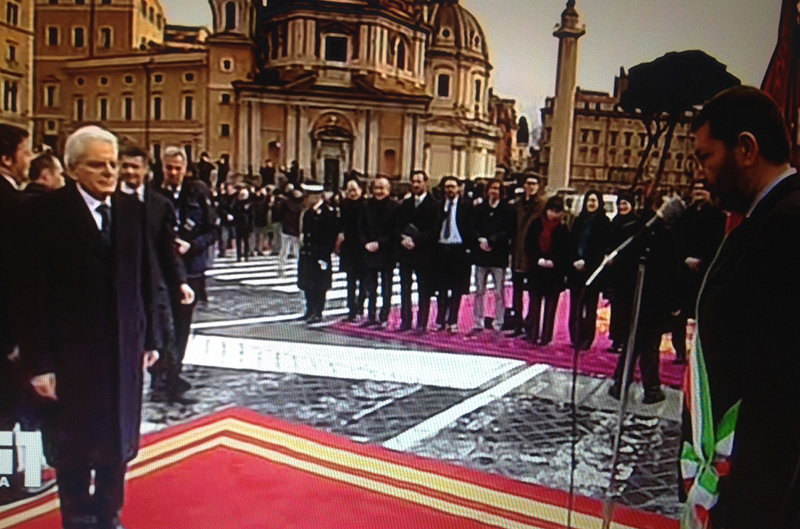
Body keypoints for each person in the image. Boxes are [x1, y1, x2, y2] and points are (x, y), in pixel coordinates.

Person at [23, 126, 161, 529]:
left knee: (117, 441)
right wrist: (39, 362)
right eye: (97, 165)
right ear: (71, 168)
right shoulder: (45, 213)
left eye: (113, 164)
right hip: (71, 354)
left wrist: (150, 336)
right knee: (75, 443)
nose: (109, 172)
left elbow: (145, 278)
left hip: (123, 347)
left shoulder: (132, 211)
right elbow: (32, 291)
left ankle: (109, 515)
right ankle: (78, 517)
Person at [679, 86, 800, 528]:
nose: (702, 173)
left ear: (746, 148)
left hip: (756, 494)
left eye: (705, 157)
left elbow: (781, 393)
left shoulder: (788, 226)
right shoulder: (762, 219)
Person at [117, 143, 195, 404]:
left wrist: (181, 281)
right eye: (124, 166)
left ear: (145, 170)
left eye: (134, 166)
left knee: (160, 334)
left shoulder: (159, 205)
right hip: (117, 283)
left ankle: (163, 376)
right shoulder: (109, 200)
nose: (128, 171)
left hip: (152, 282)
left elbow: (167, 248)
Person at [608, 193, 680, 405]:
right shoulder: (642, 232)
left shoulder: (637, 230)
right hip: (647, 299)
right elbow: (672, 271)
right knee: (646, 343)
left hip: (641, 298)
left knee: (637, 341)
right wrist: (674, 303)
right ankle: (648, 387)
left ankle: (626, 383)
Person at [156, 146, 216, 397]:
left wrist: (191, 245)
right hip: (161, 270)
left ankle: (174, 371)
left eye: (177, 168)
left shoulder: (198, 192)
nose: (173, 173)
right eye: (168, 168)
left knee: (182, 324)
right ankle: (159, 373)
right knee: (159, 322)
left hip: (190, 269)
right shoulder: (153, 193)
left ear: (185, 169)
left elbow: (212, 230)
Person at [670, 178, 726, 364]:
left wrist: (702, 261)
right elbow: (677, 240)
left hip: (705, 272)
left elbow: (719, 245)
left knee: (703, 315)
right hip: (685, 272)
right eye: (696, 190)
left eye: (703, 190)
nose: (699, 193)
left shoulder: (718, 217)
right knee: (680, 317)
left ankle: (700, 352)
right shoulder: (685, 215)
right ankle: (679, 351)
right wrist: (685, 258)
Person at [0, 124, 33, 433]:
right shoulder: (16, 205)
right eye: (25, 153)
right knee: (18, 411)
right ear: (6, 159)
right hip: (9, 330)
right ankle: (13, 478)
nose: (30, 159)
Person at [396, 171, 439, 333]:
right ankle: (405, 320)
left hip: (424, 252)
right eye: (413, 181)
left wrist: (416, 240)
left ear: (426, 183)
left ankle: (422, 322)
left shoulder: (434, 204)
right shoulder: (405, 204)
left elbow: (434, 230)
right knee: (405, 287)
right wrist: (403, 238)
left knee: (424, 289)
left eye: (419, 181)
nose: (416, 185)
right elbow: (397, 225)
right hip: (406, 252)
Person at [567, 190, 610, 350]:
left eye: (594, 200)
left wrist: (587, 262)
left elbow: (601, 247)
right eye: (589, 200)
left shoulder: (604, 223)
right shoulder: (578, 221)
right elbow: (571, 243)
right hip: (575, 269)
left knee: (590, 308)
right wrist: (574, 261)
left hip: (592, 270)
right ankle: (575, 337)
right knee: (575, 306)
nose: (591, 204)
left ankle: (587, 339)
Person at [523, 195, 569, 345]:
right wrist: (538, 259)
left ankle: (546, 336)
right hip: (536, 270)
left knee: (551, 306)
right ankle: (532, 333)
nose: (553, 214)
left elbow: (565, 250)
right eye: (551, 210)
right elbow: (528, 245)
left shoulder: (563, 228)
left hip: (554, 274)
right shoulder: (536, 224)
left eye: (557, 211)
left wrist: (554, 261)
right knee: (534, 304)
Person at [469, 179, 512, 337]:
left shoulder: (507, 209)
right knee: (479, 291)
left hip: (498, 255)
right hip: (481, 255)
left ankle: (498, 322)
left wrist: (492, 240)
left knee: (499, 292)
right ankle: (478, 321)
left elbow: (508, 230)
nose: (494, 191)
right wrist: (480, 239)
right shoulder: (480, 208)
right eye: (491, 188)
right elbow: (472, 227)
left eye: (497, 189)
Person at [434, 176, 475, 333]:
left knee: (457, 288)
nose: (449, 189)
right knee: (441, 288)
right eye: (447, 187)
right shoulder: (438, 206)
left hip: (458, 249)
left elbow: (471, 227)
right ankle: (440, 319)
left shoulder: (466, 206)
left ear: (459, 188)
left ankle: (453, 320)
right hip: (441, 248)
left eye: (452, 186)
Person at [358, 177, 398, 328]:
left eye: (382, 188)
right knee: (370, 286)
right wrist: (366, 243)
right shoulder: (365, 205)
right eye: (376, 188)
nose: (379, 191)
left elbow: (394, 229)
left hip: (387, 251)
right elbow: (360, 227)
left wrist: (379, 243)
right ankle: (371, 315)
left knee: (386, 287)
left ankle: (384, 316)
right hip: (369, 250)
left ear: (388, 190)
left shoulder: (395, 206)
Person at [297, 181, 339, 324]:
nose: (305, 199)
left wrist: (324, 255)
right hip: (308, 253)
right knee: (307, 283)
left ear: (315, 196)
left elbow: (330, 235)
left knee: (320, 284)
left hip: (320, 254)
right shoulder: (308, 212)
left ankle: (318, 311)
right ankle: (309, 310)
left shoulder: (328, 212)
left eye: (307, 196)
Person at [509, 174, 543, 336]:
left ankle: (531, 323)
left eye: (534, 183)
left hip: (533, 254)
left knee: (533, 292)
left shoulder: (542, 206)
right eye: (528, 183)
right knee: (517, 291)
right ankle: (517, 323)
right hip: (517, 252)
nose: (530, 186)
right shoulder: (516, 205)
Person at [605, 192, 639, 354]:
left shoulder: (635, 224)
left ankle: (626, 339)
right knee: (616, 307)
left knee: (627, 307)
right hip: (615, 273)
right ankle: (616, 339)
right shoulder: (614, 223)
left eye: (625, 204)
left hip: (629, 271)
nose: (622, 207)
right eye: (620, 204)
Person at [338, 179, 367, 321]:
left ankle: (360, 307)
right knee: (350, 280)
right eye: (349, 190)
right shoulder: (343, 205)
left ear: (360, 190)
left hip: (362, 247)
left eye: (354, 189)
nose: (352, 192)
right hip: (349, 246)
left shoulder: (365, 205)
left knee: (363, 280)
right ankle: (351, 309)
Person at [272, 183, 304, 276]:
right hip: (293, 229)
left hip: (289, 228)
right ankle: (294, 268)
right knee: (293, 251)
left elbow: (279, 213)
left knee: (287, 250)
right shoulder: (300, 204)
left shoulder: (286, 202)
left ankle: (282, 268)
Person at [232, 187, 254, 262]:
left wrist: (251, 225)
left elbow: (251, 215)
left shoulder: (249, 203)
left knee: (246, 241)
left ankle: (246, 255)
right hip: (238, 224)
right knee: (238, 241)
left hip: (246, 224)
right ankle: (239, 255)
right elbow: (233, 211)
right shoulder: (236, 203)